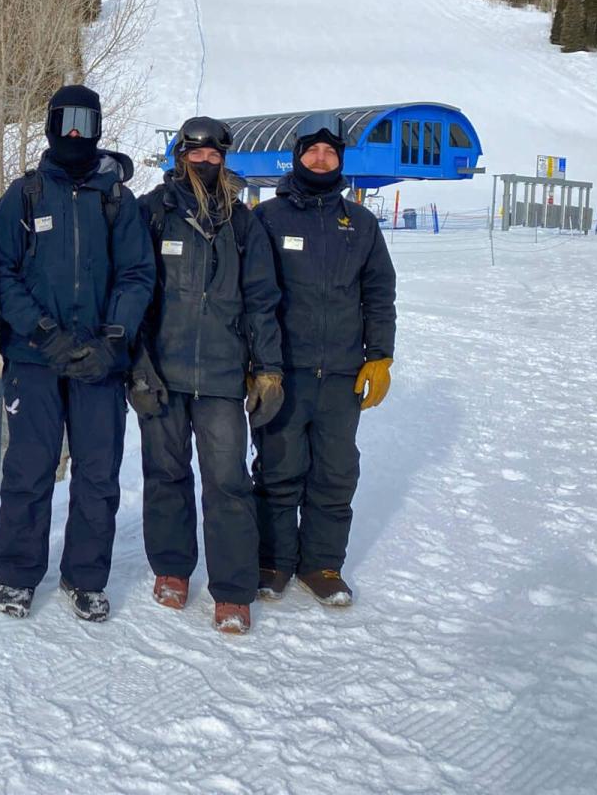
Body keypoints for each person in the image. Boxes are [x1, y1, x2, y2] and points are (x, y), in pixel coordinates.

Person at [0, 85, 156, 622]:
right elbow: (1, 273)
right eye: (68, 120)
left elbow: (137, 274)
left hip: (99, 362)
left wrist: (113, 337)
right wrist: (43, 333)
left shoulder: (117, 200)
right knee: (30, 468)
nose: (77, 133)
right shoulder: (26, 194)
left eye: (87, 121)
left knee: (98, 473)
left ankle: (85, 575)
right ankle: (17, 574)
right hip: (36, 358)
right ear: (51, 124)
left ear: (100, 125)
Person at [129, 116, 283, 635]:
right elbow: (134, 295)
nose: (205, 160)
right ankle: (172, 567)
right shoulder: (151, 213)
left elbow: (262, 301)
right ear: (179, 154)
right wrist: (138, 365)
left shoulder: (243, 223)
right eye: (195, 152)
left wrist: (268, 371)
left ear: (224, 158)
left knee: (228, 482)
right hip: (163, 374)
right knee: (166, 476)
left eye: (215, 153)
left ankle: (233, 590)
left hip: (221, 375)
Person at [250, 112, 396, 607]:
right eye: (312, 150)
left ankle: (322, 564)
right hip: (282, 372)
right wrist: (255, 363)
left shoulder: (359, 222)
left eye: (330, 152)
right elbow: (251, 296)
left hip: (339, 375)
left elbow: (378, 293)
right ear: (296, 157)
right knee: (277, 469)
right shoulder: (267, 219)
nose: (320, 158)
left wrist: (380, 356)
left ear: (340, 160)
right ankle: (272, 561)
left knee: (334, 472)